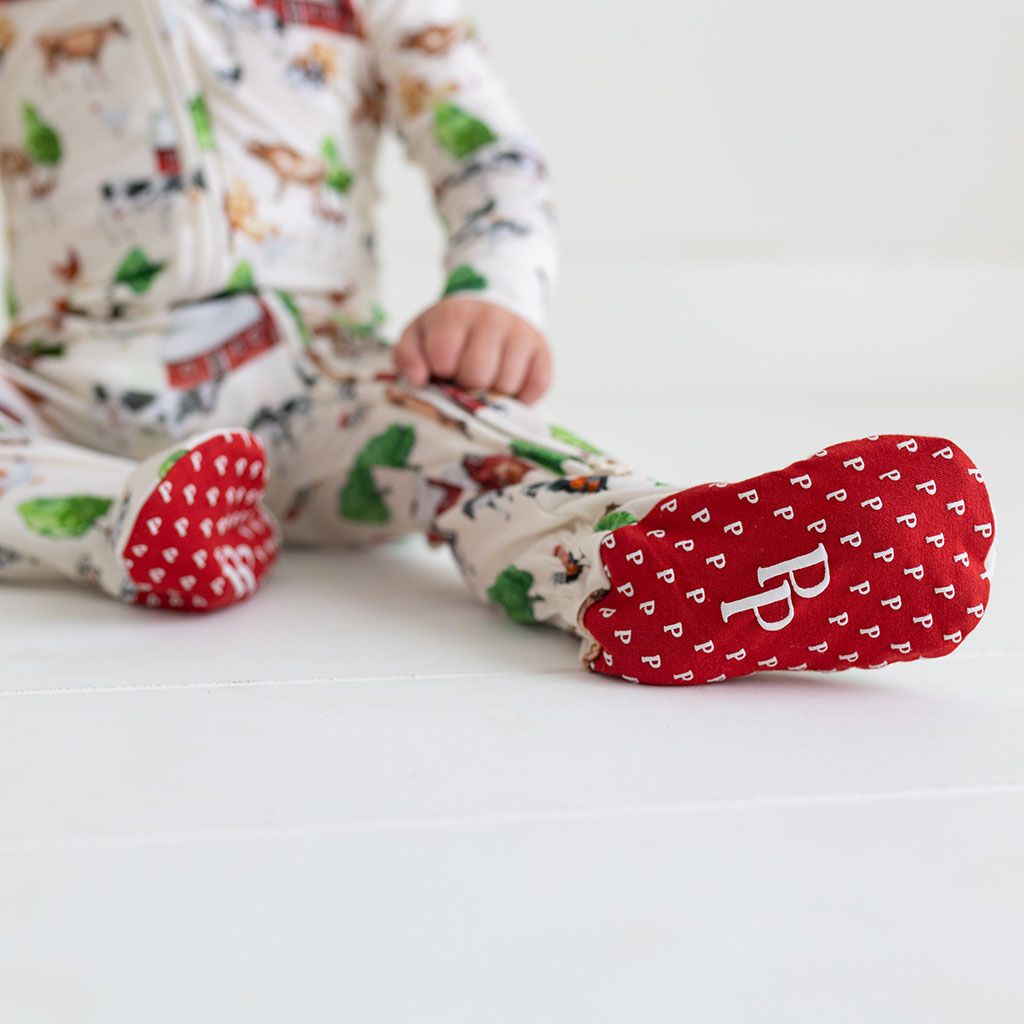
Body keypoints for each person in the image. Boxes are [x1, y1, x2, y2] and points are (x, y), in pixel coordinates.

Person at [0, 0, 995, 685]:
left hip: (318, 386)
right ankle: (131, 526)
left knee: (461, 428)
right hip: (62, 393)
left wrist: (492, 293)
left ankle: (650, 562)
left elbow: (487, 152)